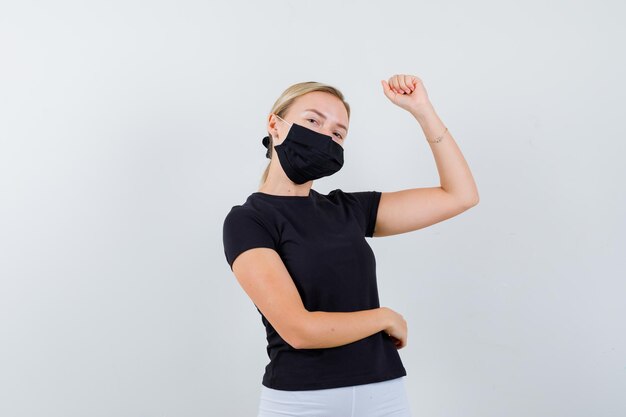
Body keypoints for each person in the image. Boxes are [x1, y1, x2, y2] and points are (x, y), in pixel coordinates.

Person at [222, 74, 479, 417]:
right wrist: (383, 318)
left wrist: (422, 110)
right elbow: (298, 330)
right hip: (302, 400)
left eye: (337, 133)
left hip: (382, 393)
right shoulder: (248, 221)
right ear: (276, 125)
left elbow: (460, 196)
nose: (324, 135)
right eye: (313, 120)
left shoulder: (348, 210)